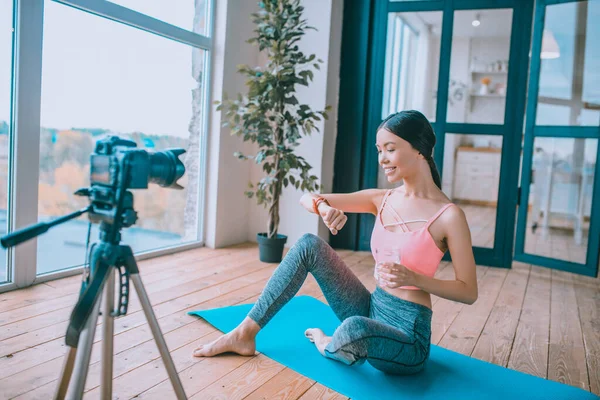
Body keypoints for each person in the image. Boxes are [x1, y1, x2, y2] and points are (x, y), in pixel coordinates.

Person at [193, 110, 478, 375]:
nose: (382, 159)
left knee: (354, 329)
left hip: (408, 337)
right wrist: (324, 208)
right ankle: (244, 333)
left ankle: (327, 343)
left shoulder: (449, 216)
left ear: (419, 149)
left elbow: (468, 291)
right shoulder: (382, 199)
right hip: (371, 308)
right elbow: (309, 197)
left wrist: (415, 278)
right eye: (379, 151)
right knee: (308, 245)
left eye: (390, 149)